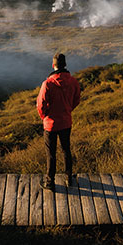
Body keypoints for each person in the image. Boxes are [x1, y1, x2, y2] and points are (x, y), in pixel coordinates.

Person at [36, 53, 81, 190]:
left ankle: (50, 182)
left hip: (50, 124)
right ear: (65, 65)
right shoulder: (73, 81)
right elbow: (76, 100)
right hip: (66, 122)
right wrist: (68, 110)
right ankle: (69, 178)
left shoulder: (48, 83)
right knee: (66, 150)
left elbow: (40, 104)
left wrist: (45, 117)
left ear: (53, 65)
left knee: (51, 153)